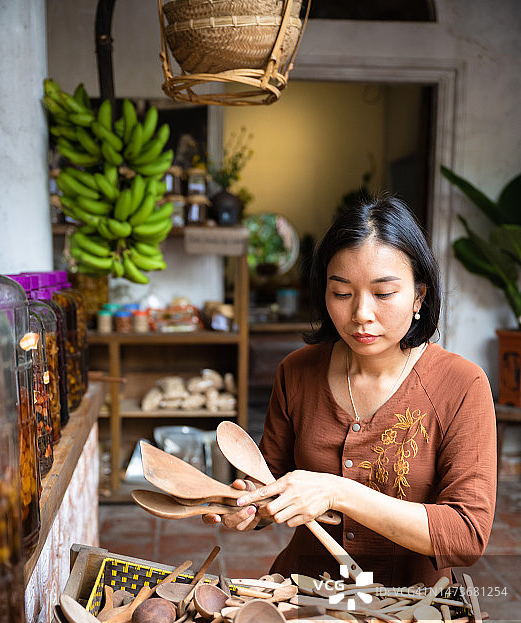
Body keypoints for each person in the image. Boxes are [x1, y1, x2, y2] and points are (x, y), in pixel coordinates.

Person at [205, 195, 497, 587]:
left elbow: (467, 535)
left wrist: (336, 492)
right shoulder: (297, 372)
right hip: (305, 595)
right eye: (341, 293)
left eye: (383, 293)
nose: (361, 313)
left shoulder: (462, 386)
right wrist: (248, 507)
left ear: (419, 296)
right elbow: (270, 478)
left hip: (411, 610)